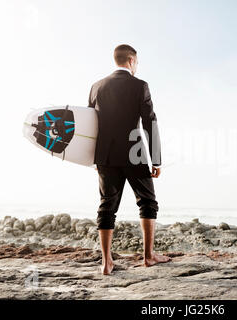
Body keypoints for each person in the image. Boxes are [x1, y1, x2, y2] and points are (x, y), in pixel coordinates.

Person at [88, 44, 171, 275]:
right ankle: (148, 256)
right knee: (147, 202)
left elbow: (89, 125)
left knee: (106, 207)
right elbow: (149, 122)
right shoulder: (140, 86)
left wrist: (94, 159)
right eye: (137, 62)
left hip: (105, 155)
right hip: (134, 152)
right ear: (132, 61)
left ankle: (106, 263)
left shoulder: (97, 86)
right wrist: (156, 160)